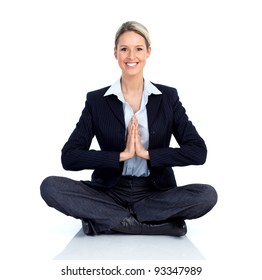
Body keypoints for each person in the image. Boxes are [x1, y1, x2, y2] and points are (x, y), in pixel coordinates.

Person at [40, 21, 217, 237]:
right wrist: (119, 156)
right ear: (115, 53)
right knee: (50, 187)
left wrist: (148, 154)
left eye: (138, 49)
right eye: (124, 49)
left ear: (148, 52)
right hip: (110, 191)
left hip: (154, 193)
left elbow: (198, 152)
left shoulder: (168, 98)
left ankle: (111, 220)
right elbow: (69, 158)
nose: (131, 56)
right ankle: (149, 224)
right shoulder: (97, 101)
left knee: (207, 195)